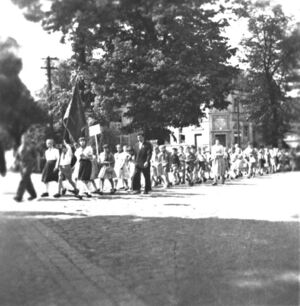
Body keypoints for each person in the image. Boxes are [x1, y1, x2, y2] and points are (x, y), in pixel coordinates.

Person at [13, 134, 37, 202]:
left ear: (28, 139)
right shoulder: (19, 147)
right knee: (27, 180)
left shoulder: (31, 146)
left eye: (26, 138)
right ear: (21, 139)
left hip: (29, 164)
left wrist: (36, 166)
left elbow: (36, 156)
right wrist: (15, 164)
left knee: (24, 179)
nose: (24, 139)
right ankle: (33, 194)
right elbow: (17, 157)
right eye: (23, 138)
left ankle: (19, 196)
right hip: (21, 165)